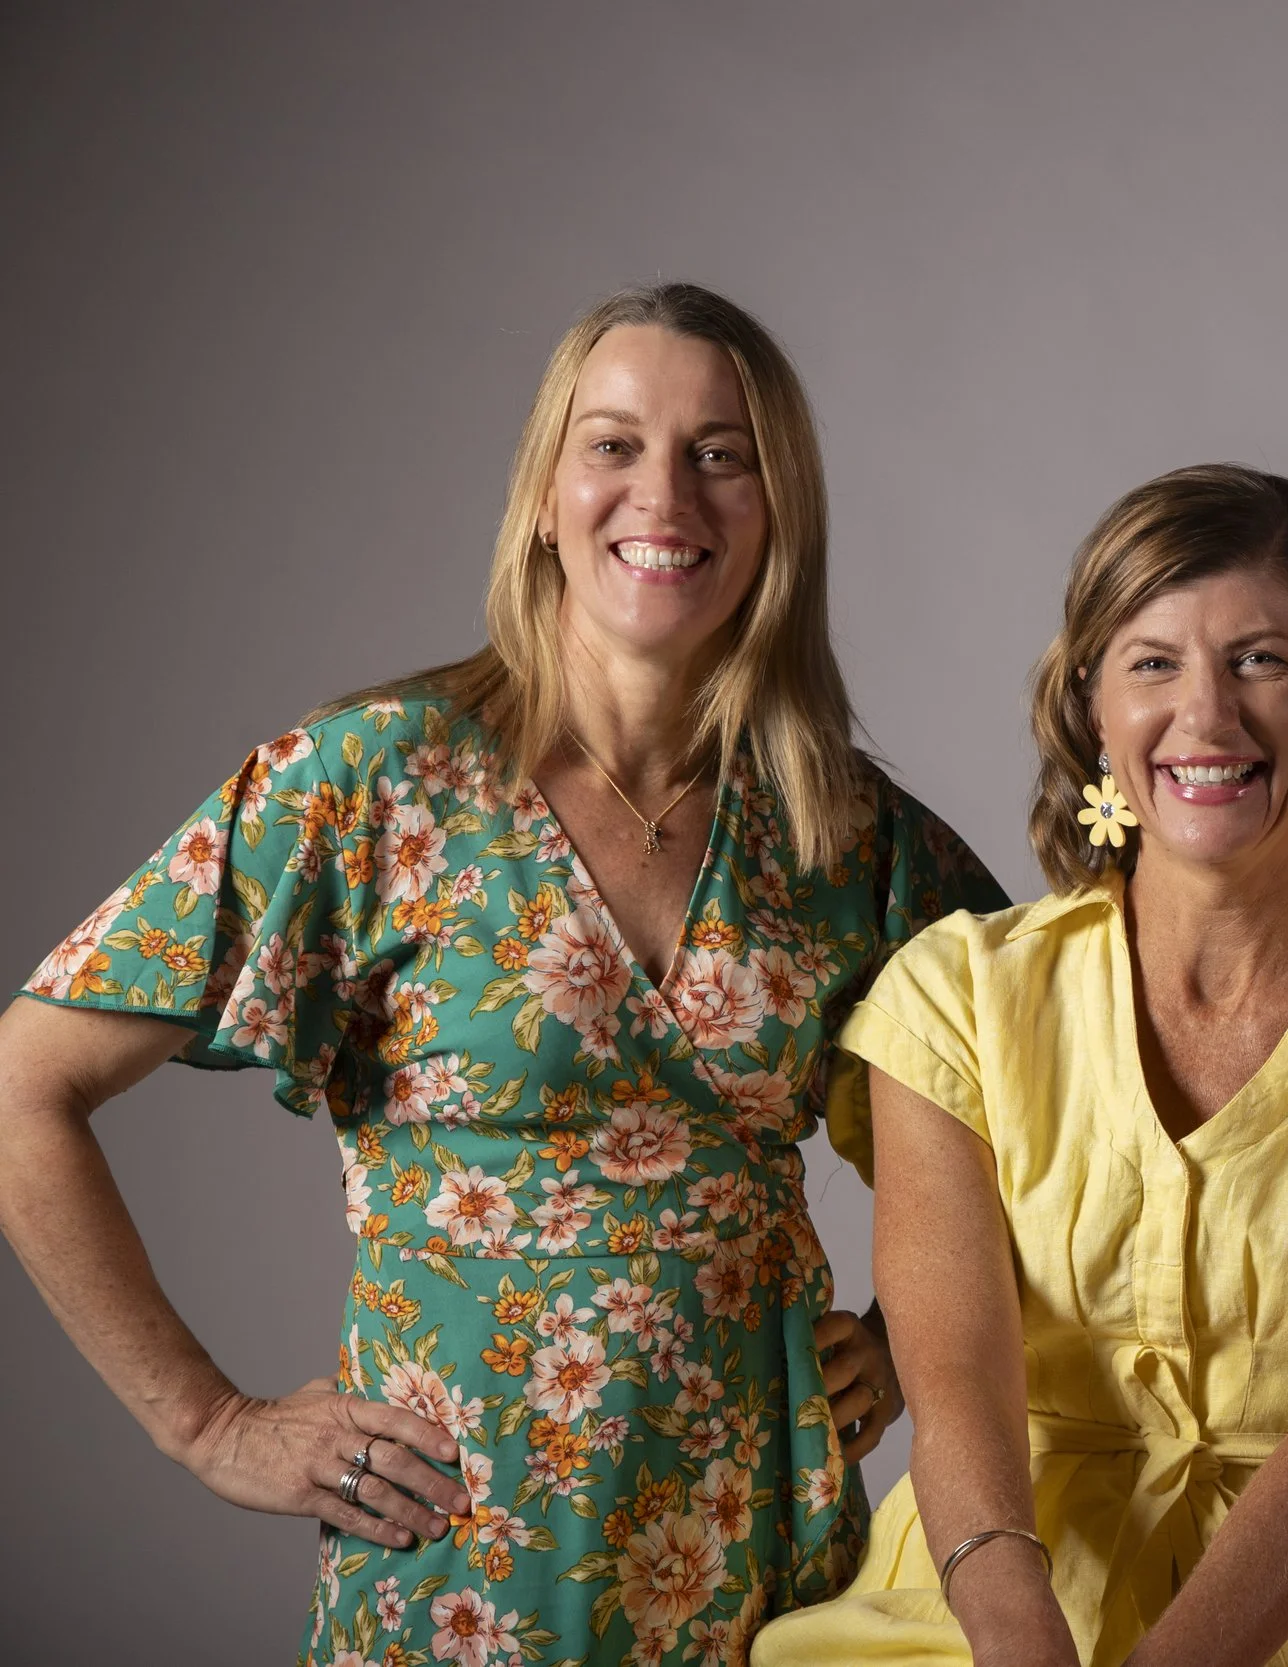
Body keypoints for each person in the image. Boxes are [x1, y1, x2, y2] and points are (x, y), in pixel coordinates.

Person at [0, 283, 1006, 1667]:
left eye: (722, 453)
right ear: (543, 493)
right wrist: (206, 1420)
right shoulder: (376, 779)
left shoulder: (846, 833)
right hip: (458, 1564)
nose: (667, 493)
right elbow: (23, 1088)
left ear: (780, 510)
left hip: (768, 1562)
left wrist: (907, 1342)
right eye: (614, 445)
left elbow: (1050, 1109)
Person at [751, 465, 1288, 1667]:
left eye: (1260, 659)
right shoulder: (954, 992)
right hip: (980, 1608)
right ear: (1091, 711)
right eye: (1152, 662)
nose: (1206, 717)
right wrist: (1018, 1639)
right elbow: (953, 1380)